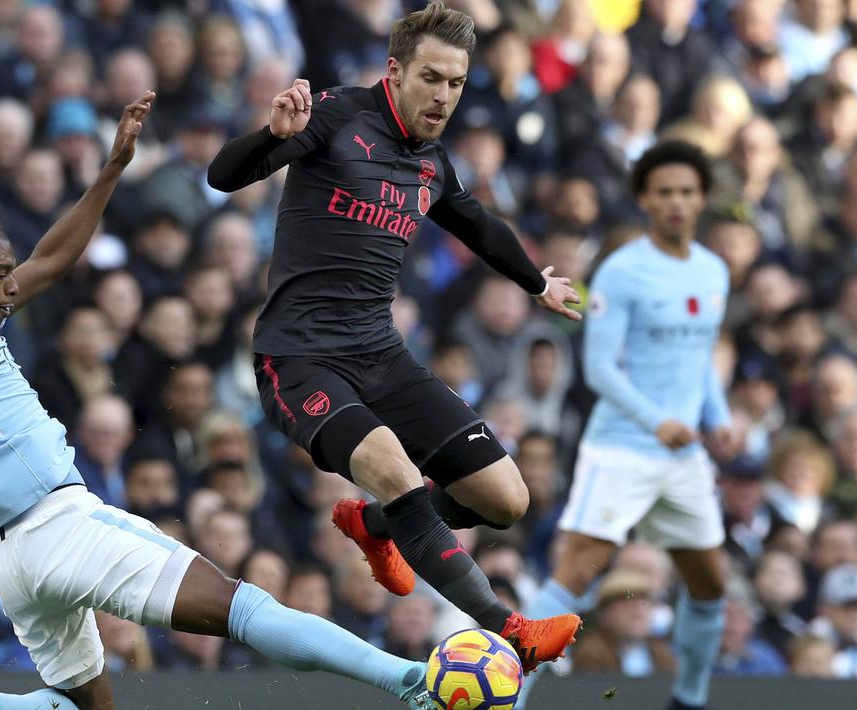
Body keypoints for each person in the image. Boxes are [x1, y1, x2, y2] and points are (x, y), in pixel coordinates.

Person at [0, 93, 435, 710]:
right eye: (0, 273)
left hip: (11, 557)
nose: (11, 284)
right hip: (60, 523)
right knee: (245, 608)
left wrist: (113, 167)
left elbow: (53, 258)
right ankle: (408, 679)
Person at [206, 0, 582, 671]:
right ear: (395, 71)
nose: (443, 96)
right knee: (396, 471)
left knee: (505, 499)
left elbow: (477, 225)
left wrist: (535, 283)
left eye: (455, 83)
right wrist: (269, 134)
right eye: (430, 78)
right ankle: (511, 629)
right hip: (299, 358)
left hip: (380, 353)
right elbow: (222, 175)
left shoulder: (431, 162)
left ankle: (375, 525)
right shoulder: (334, 115)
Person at [520, 140, 737, 710]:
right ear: (645, 200)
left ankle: (689, 699)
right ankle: (509, 696)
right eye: (665, 192)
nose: (676, 202)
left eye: (686, 192)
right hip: (621, 447)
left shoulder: (713, 271)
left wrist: (719, 417)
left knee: (709, 585)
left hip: (682, 456)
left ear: (702, 199)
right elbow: (599, 368)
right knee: (576, 572)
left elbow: (701, 359)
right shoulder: (621, 271)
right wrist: (656, 421)